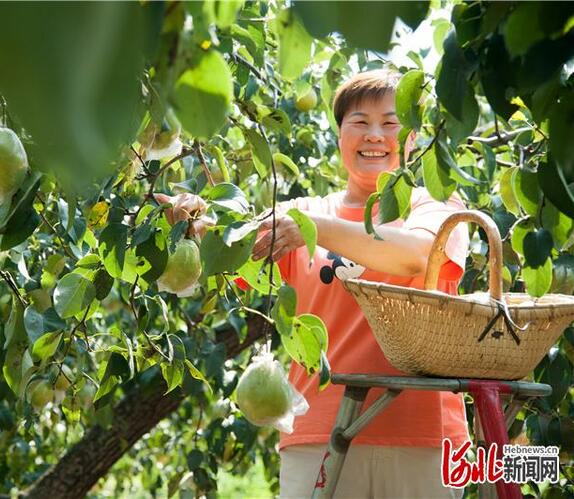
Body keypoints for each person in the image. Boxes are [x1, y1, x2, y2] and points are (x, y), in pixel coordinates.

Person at [155, 69, 470, 498]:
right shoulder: (302, 212)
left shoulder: (433, 204)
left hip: (423, 434)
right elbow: (234, 248)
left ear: (413, 136)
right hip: (319, 431)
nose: (375, 135)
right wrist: (193, 224)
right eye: (359, 122)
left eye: (391, 123)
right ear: (340, 135)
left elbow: (417, 255)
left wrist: (314, 228)